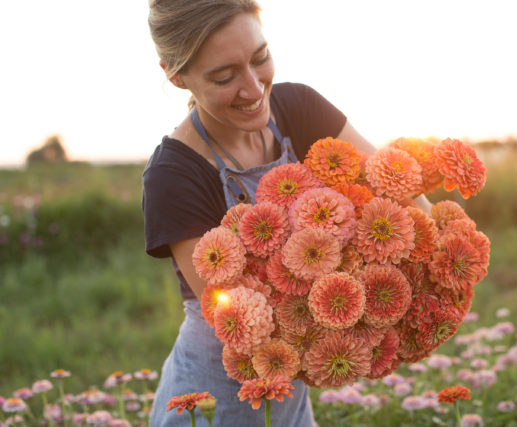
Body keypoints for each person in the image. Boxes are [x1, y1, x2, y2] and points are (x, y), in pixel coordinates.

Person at [143, 1, 380, 425]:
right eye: (224, 76)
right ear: (176, 76)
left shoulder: (299, 108)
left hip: (290, 400)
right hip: (212, 403)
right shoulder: (172, 175)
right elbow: (241, 323)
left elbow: (397, 193)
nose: (254, 89)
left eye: (260, 58)